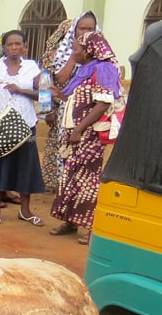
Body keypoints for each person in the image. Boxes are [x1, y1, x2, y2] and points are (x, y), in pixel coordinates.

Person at [50, 31, 122, 244]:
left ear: (89, 49)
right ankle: (70, 221)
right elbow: (75, 97)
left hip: (89, 134)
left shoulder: (105, 69)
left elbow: (102, 103)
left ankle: (91, 228)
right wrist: (58, 94)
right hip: (75, 133)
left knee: (88, 180)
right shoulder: (85, 70)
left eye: (77, 49)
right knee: (70, 176)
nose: (74, 53)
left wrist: (80, 129)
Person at [0, 30, 45, 226]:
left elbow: (43, 93)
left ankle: (25, 210)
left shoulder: (31, 67)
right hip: (2, 126)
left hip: (26, 125)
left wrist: (22, 90)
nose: (14, 47)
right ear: (4, 47)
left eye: (18, 44)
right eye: (10, 44)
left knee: (25, 168)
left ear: (24, 46)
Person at [40, 11, 100, 192]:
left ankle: (82, 195)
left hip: (93, 113)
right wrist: (75, 57)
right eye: (82, 28)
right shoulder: (61, 53)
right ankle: (65, 191)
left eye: (90, 29)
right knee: (66, 152)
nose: (86, 32)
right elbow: (56, 82)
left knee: (87, 156)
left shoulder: (102, 56)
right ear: (73, 31)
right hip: (66, 112)